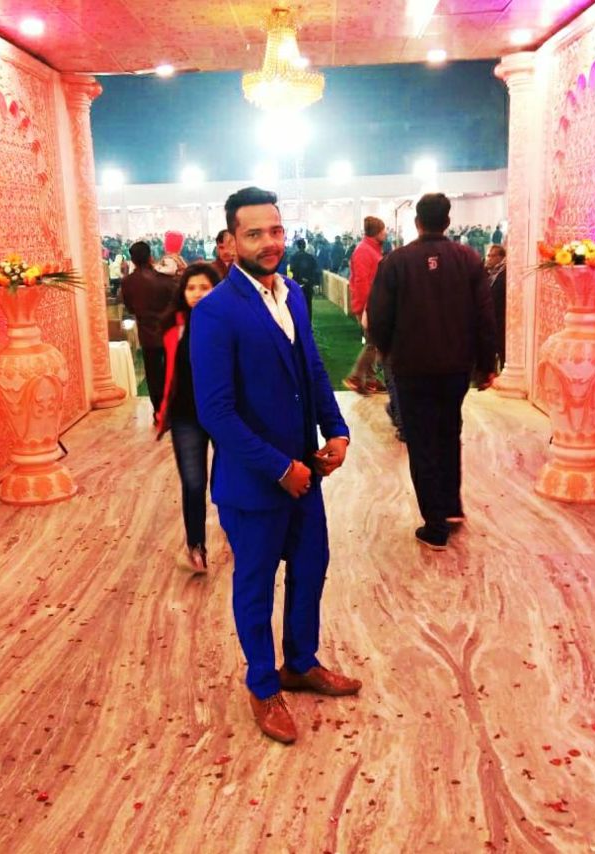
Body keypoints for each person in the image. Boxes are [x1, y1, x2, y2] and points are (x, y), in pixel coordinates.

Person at [190, 186, 361, 745]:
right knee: (256, 586)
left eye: (276, 230)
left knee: (311, 569)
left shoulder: (293, 295)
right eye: (255, 233)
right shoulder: (215, 311)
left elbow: (312, 369)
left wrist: (336, 429)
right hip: (254, 483)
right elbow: (216, 412)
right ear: (231, 242)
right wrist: (279, 468)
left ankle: (301, 662)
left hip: (306, 475)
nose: (270, 242)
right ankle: (263, 686)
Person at [368, 193, 497, 551]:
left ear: (417, 222)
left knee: (422, 441)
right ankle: (451, 508)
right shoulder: (469, 259)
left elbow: (379, 318)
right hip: (456, 368)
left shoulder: (396, 261)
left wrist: (389, 352)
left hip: (412, 368)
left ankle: (436, 524)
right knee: (448, 433)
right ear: (448, 221)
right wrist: (486, 365)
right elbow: (485, 317)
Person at [157, 262, 221, 572]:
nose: (197, 293)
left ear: (216, 290)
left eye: (204, 287)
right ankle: (196, 546)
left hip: (224, 414)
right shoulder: (175, 326)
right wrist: (162, 410)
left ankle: (239, 531)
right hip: (186, 415)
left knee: (226, 479)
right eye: (191, 288)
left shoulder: (228, 323)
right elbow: (167, 373)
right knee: (194, 482)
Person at [121, 241, 179, 423]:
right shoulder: (165, 279)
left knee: (153, 376)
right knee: (172, 372)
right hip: (169, 332)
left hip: (147, 335)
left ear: (132, 260)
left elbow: (130, 308)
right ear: (150, 257)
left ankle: (159, 413)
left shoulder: (128, 282)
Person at [343, 216, 388, 395]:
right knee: (373, 342)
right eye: (383, 230)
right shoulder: (364, 251)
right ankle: (355, 377)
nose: (386, 233)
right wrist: (367, 308)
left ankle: (370, 380)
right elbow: (362, 283)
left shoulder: (370, 249)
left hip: (371, 303)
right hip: (368, 305)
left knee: (373, 342)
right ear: (377, 232)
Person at [486, 243, 507, 370]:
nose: (488, 259)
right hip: (492, 319)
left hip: (501, 319)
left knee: (502, 350)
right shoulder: (491, 272)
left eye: (491, 256)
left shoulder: (504, 274)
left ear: (500, 257)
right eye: (488, 256)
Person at [289, 238, 319, 321]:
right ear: (305, 246)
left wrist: (300, 278)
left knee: (297, 303)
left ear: (297, 246)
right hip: (308, 283)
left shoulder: (294, 257)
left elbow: (292, 269)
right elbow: (315, 270)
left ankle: (299, 322)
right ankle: (308, 322)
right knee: (308, 303)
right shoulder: (310, 257)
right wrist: (310, 280)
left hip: (297, 282)